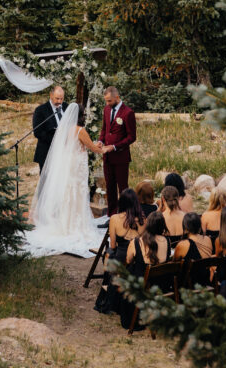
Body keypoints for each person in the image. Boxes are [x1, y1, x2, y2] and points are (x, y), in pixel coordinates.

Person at [23, 102, 104, 258]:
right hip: (78, 167)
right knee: (78, 194)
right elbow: (93, 148)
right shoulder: (80, 130)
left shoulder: (65, 130)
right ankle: (75, 227)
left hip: (70, 166)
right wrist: (102, 146)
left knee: (70, 194)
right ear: (81, 115)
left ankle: (66, 224)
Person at [94, 188, 144, 315]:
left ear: (121, 202)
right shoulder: (143, 219)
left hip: (121, 259)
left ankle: (108, 296)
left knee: (109, 254)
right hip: (137, 261)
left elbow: (113, 245)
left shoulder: (115, 219)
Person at [120, 211, 169, 331]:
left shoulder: (137, 242)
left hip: (142, 284)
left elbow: (128, 259)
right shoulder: (166, 241)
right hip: (161, 284)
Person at [99, 86, 137, 215]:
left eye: (109, 101)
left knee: (123, 188)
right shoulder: (106, 110)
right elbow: (105, 129)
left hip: (121, 157)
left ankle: (126, 215)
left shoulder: (128, 113)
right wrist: (101, 141)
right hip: (107, 157)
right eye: (106, 101)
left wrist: (114, 146)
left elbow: (132, 137)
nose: (107, 103)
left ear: (117, 97)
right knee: (109, 187)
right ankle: (112, 216)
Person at [32, 84, 67, 174]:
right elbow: (37, 132)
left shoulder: (67, 107)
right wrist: (56, 140)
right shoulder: (40, 110)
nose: (59, 101)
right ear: (51, 95)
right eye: (57, 98)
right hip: (47, 152)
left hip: (64, 151)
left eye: (61, 99)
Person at [174, 212, 213, 286]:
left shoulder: (183, 244)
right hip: (205, 280)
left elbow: (174, 263)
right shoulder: (208, 239)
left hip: (190, 284)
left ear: (185, 227)